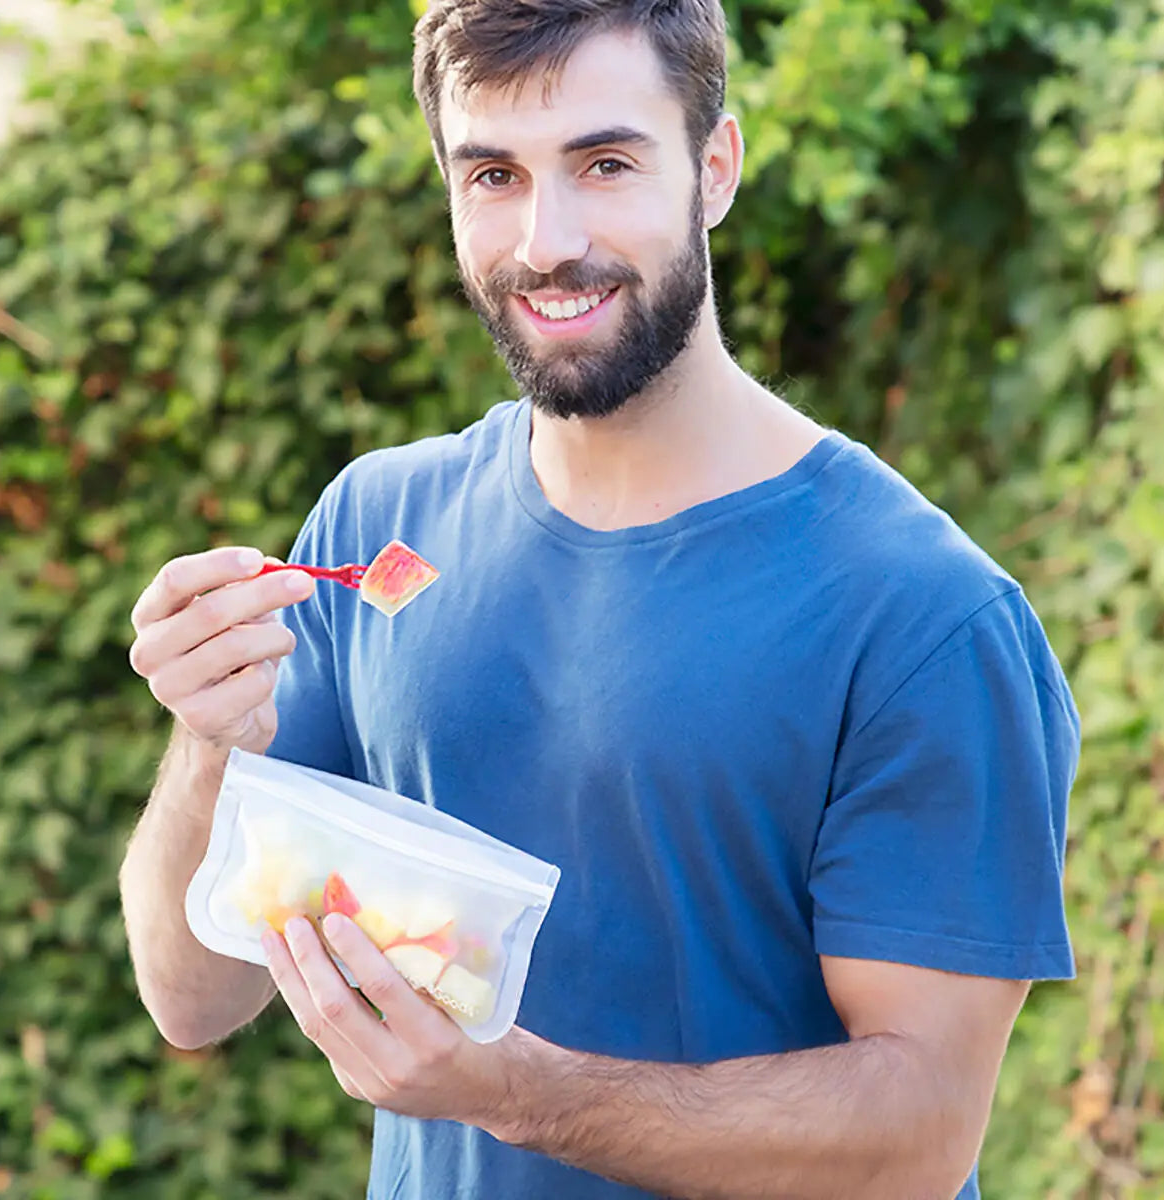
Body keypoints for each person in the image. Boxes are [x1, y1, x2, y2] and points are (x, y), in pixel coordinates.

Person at [120, 2, 1080, 1197]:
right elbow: (190, 994)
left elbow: (922, 1136)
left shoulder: (922, 615)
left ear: (714, 169)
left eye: (606, 163)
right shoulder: (375, 531)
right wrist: (211, 744)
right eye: (493, 174)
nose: (546, 241)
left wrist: (515, 1094)